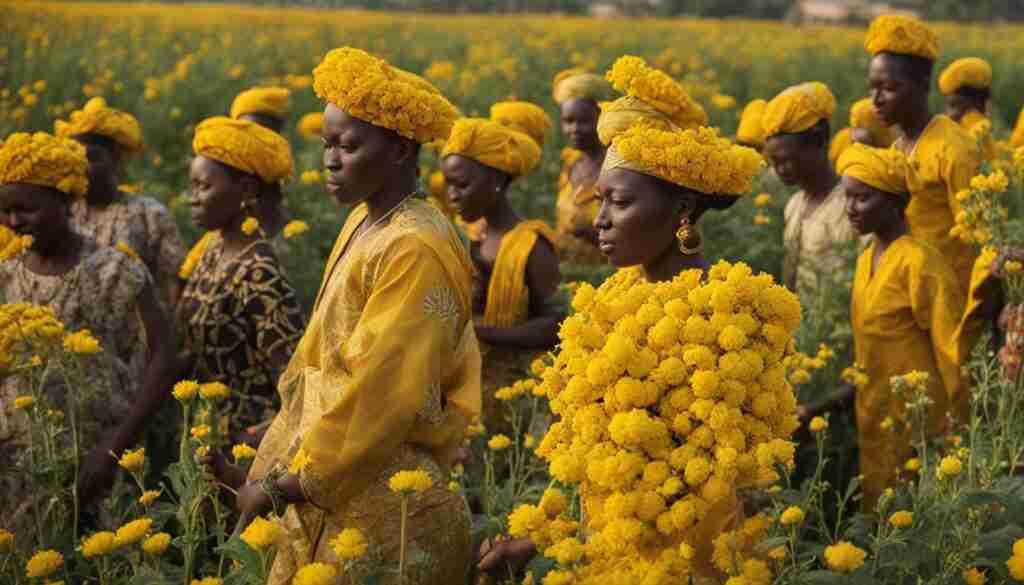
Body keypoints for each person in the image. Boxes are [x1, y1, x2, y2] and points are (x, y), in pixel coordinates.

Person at [479, 56, 768, 584]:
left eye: (620, 202)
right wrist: (546, 534)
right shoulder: (615, 294)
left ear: (681, 207)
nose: (601, 220)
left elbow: (693, 481)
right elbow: (590, 450)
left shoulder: (730, 308)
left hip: (686, 556)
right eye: (600, 201)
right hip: (608, 543)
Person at [204, 47, 480, 585]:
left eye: (348, 146)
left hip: (384, 508)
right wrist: (269, 452)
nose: (330, 159)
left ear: (400, 149)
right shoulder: (367, 220)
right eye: (328, 144)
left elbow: (383, 389)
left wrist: (284, 486)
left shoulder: (413, 246)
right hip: (341, 484)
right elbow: (322, 360)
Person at [0, 131, 176, 528]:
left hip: (100, 459)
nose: (14, 222)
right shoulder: (5, 272)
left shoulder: (115, 271)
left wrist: (114, 449)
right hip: (19, 466)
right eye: (5, 211)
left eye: (27, 209)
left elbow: (164, 359)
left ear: (66, 200)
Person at [806, 144, 966, 508]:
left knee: (923, 515)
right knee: (882, 517)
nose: (850, 208)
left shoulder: (919, 262)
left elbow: (952, 348)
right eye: (848, 198)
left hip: (921, 414)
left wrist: (959, 426)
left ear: (894, 202)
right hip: (875, 412)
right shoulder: (865, 261)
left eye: (862, 199)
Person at [177, 117, 305, 446]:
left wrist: (259, 443)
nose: (192, 197)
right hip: (210, 434)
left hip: (247, 445)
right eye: (192, 185)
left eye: (203, 186)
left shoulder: (258, 270)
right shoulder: (213, 251)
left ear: (247, 190)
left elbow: (295, 381)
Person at [441, 115, 562, 433]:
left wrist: (481, 333)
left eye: (462, 184)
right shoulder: (467, 234)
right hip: (458, 384)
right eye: (449, 184)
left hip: (507, 396)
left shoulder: (533, 247)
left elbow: (553, 326)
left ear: (496, 180)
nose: (452, 195)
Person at [865, 14, 981, 294]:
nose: (876, 100)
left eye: (890, 88)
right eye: (873, 87)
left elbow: (978, 242)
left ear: (923, 84)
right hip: (909, 296)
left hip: (950, 297)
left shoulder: (953, 148)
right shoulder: (897, 147)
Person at [54, 97, 186, 308]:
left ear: (115, 157)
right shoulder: (62, 214)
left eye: (90, 158)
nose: (81, 167)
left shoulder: (149, 214)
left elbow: (177, 280)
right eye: (73, 159)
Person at [762, 82, 858, 302]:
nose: (780, 169)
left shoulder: (851, 206)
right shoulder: (795, 205)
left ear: (819, 140)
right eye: (774, 162)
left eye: (786, 159)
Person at [551, 68, 616, 266]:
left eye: (584, 121)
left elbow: (636, 240)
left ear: (603, 118)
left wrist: (589, 234)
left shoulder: (618, 168)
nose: (574, 130)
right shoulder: (571, 164)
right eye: (568, 121)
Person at [938, 57, 996, 160]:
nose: (947, 114)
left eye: (953, 105)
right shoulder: (985, 133)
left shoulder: (976, 135)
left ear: (976, 103)